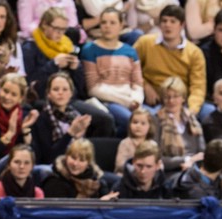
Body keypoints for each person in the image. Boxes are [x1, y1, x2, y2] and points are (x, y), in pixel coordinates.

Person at [81, 6, 145, 136]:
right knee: (130, 121)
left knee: (152, 119)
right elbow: (93, 88)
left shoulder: (130, 51)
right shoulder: (90, 49)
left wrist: (137, 101)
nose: (107, 26)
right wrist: (126, 101)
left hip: (130, 99)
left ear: (121, 25)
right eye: (104, 22)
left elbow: (138, 82)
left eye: (112, 23)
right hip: (107, 101)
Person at [135, 5, 207, 115]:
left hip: (182, 101)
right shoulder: (144, 43)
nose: (168, 25)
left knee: (208, 112)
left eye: (173, 21)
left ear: (182, 25)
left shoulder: (194, 53)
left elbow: (198, 87)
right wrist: (145, 86)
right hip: (153, 101)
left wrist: (191, 110)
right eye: (164, 21)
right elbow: (130, 69)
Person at [31, 71, 113, 166]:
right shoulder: (42, 118)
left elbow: (82, 152)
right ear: (48, 94)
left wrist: (78, 138)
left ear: (71, 93)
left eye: (65, 89)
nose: (60, 93)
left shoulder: (75, 115)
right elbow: (49, 157)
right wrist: (70, 133)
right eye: (56, 89)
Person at [22, 7, 86, 102]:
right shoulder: (30, 48)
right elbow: (29, 82)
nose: (60, 33)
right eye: (56, 28)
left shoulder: (67, 46)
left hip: (69, 100)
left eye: (63, 29)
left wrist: (76, 69)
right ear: (44, 25)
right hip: (42, 100)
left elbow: (80, 88)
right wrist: (53, 64)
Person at [155, 76, 206, 177]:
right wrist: (187, 160)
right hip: (170, 172)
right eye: (167, 97)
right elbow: (157, 159)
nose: (171, 101)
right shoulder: (156, 120)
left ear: (183, 98)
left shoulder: (192, 120)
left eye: (175, 96)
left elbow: (202, 152)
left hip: (194, 169)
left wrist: (192, 162)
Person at [41, 137, 119, 198]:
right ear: (66, 156)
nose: (75, 164)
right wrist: (99, 204)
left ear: (88, 163)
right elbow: (60, 211)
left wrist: (104, 203)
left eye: (82, 160)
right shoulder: (54, 181)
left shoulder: (97, 183)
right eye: (73, 157)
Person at [114, 107, 156, 171]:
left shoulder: (153, 145)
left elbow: (159, 165)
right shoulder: (125, 143)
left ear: (149, 127)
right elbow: (119, 165)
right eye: (135, 122)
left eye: (143, 123)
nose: (138, 126)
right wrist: (137, 168)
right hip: (126, 174)